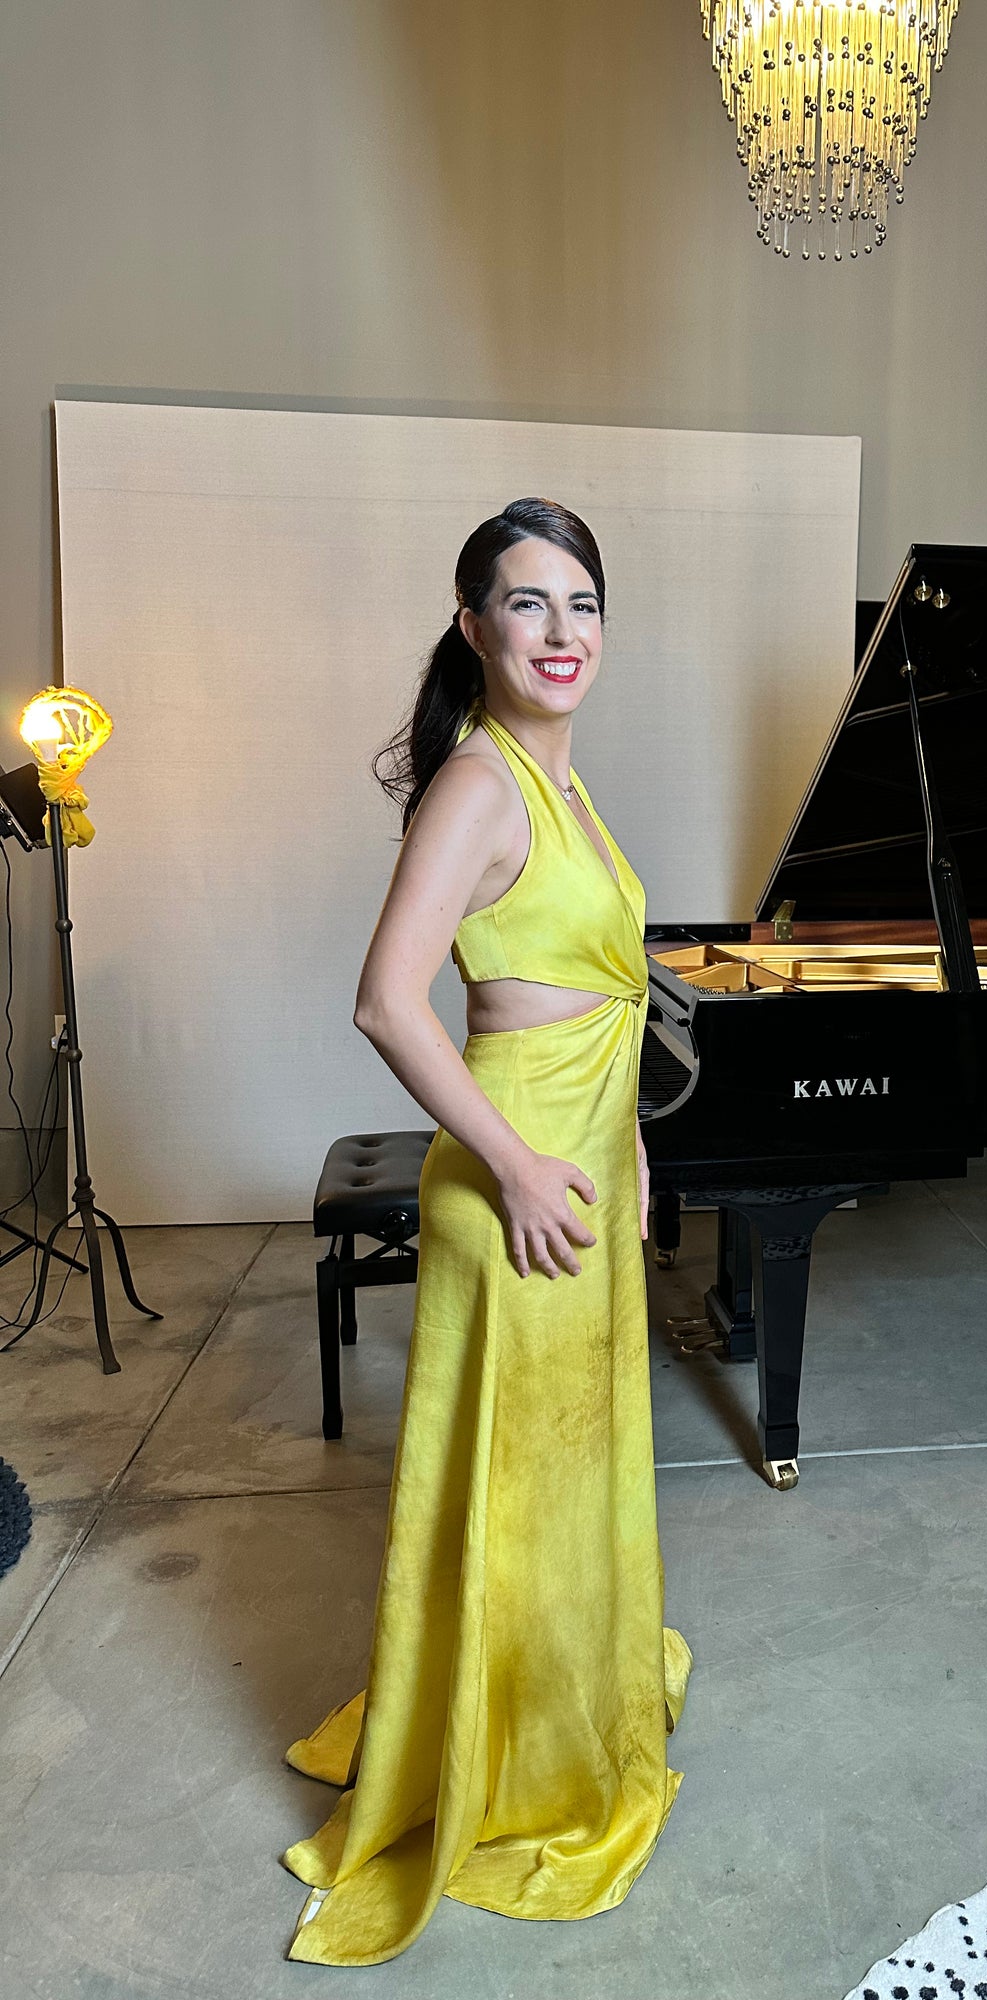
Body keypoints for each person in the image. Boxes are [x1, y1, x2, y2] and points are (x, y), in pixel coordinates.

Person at [280, 498, 690, 1967]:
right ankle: (506, 1757)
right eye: (528, 604)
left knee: (564, 1475)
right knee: (510, 1490)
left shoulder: (568, 788)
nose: (562, 630)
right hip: (512, 1180)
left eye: (582, 601)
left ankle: (557, 1707)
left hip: (577, 1164)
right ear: (475, 630)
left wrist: (627, 1141)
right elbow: (390, 999)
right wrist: (519, 1164)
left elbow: (602, 996)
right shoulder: (480, 784)